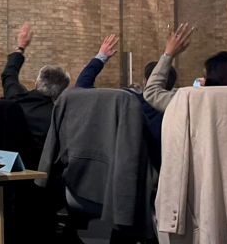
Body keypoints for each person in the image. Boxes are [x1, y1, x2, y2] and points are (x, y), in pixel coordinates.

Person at [74, 34, 177, 168]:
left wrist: (101, 57)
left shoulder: (128, 100)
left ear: (146, 81)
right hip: (165, 170)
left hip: (127, 168)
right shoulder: (179, 105)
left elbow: (82, 88)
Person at [144, 24, 227, 113]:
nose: (201, 81)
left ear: (215, 78)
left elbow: (152, 92)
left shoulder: (199, 102)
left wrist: (168, 54)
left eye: (205, 76)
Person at [1, 23, 70, 148]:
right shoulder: (59, 119)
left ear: (36, 83)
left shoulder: (15, 99)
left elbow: (9, 74)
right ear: (61, 92)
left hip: (8, 164)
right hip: (40, 166)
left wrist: (21, 47)